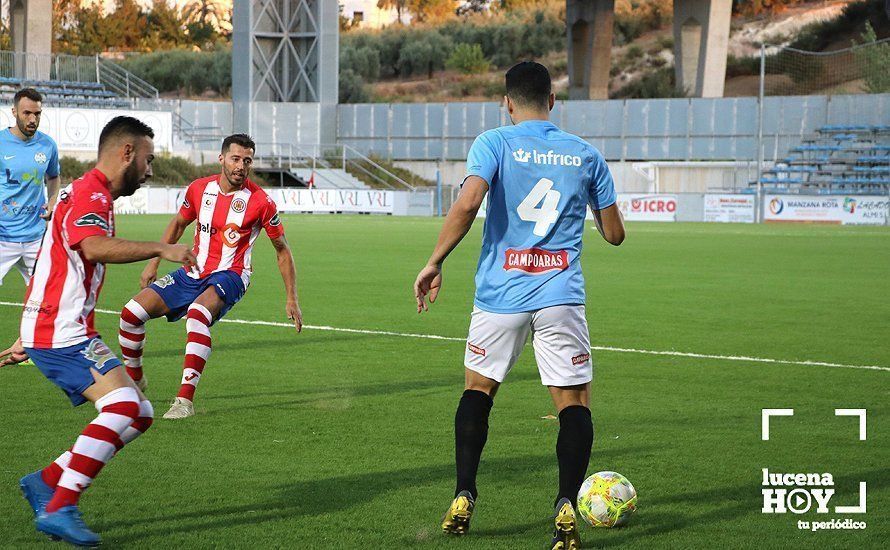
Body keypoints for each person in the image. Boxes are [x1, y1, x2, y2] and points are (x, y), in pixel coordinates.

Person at [413, 62, 625, 550]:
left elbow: (467, 205)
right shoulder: (586, 154)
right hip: (560, 296)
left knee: (478, 391)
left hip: (499, 295)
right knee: (573, 404)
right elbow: (614, 234)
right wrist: (589, 207)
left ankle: (465, 491)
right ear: (553, 101)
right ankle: (566, 502)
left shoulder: (494, 142)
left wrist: (434, 262)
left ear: (506, 103)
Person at [0, 116, 196, 546]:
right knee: (125, 408)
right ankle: (60, 506)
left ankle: (47, 480)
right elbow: (92, 246)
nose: (149, 170)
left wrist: (28, 326)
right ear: (126, 153)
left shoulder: (89, 191)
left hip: (62, 326)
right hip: (62, 330)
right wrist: (162, 247)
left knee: (140, 412)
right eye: (147, 159)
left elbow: (55, 260)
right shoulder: (89, 192)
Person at [117, 134, 302, 420]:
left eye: (247, 161)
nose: (241, 166)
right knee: (130, 314)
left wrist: (292, 298)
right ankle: (136, 380)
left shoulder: (261, 202)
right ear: (222, 158)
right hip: (193, 270)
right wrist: (153, 263)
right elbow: (178, 224)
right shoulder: (198, 189)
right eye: (236, 158)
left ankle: (184, 401)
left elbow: (282, 250)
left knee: (197, 314)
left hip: (232, 274)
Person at [0, 88, 61, 287]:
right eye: (27, 113)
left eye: (37, 113)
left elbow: (53, 177)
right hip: (2, 237)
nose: (32, 119)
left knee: (47, 299)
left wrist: (52, 201)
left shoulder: (48, 145)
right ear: (14, 112)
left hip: (35, 237)